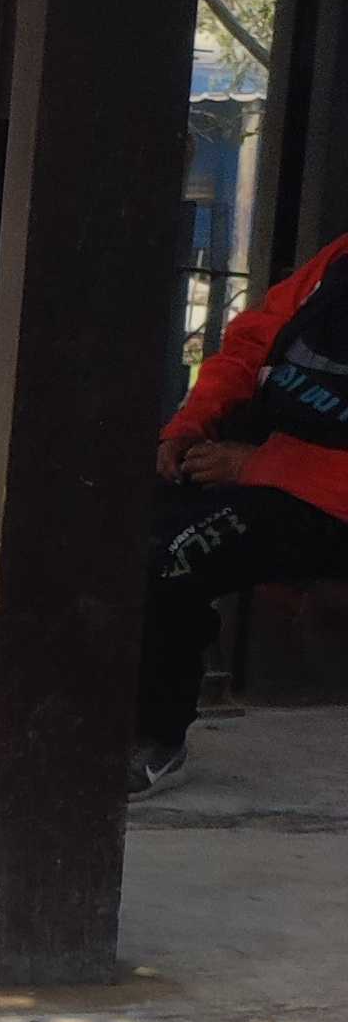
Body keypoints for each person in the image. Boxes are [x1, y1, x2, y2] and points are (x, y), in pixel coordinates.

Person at [136, 221, 348, 793]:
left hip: (325, 500)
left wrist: (260, 466)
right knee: (104, 512)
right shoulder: (340, 258)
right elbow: (252, 341)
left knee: (174, 555)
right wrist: (189, 425)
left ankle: (151, 737)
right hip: (269, 463)